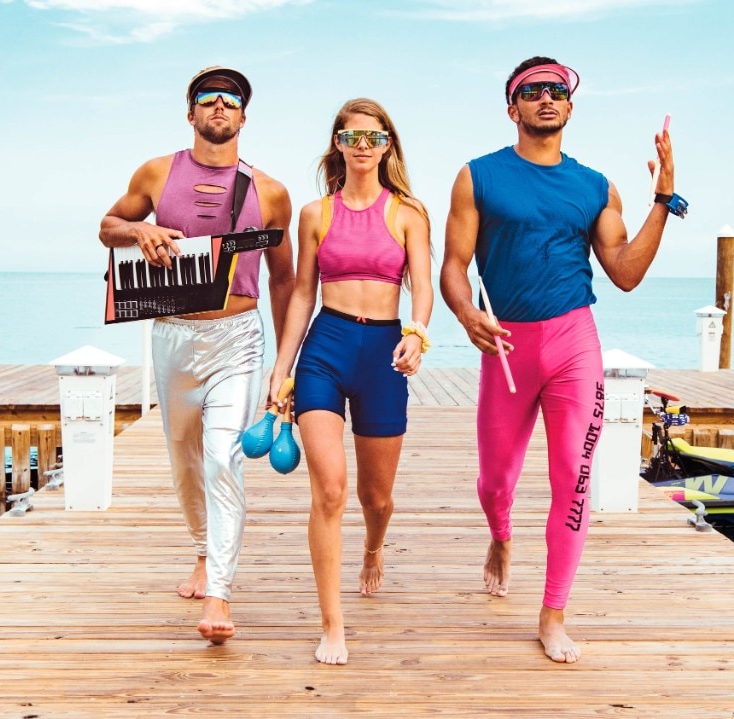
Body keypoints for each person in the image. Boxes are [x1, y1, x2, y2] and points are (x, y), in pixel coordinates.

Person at [440, 56, 683, 663]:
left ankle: (553, 612)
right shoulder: (478, 177)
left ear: (569, 108)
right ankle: (500, 535)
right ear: (512, 108)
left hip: (575, 341)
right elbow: (453, 267)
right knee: (496, 480)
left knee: (571, 479)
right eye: (532, 91)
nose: (546, 99)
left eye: (556, 91)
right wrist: (467, 314)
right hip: (507, 346)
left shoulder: (595, 186)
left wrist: (663, 200)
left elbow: (625, 272)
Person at [98, 66, 295, 644]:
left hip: (238, 335)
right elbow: (108, 225)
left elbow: (283, 282)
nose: (219, 108)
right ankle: (204, 552)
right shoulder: (157, 173)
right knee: (184, 460)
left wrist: (284, 366)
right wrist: (140, 234)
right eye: (208, 100)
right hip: (171, 335)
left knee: (221, 459)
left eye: (230, 101)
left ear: (243, 116)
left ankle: (221, 594)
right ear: (191, 114)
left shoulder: (270, 192)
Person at [267, 98, 433, 665]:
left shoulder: (410, 212)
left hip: (384, 352)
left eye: (374, 137)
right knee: (331, 490)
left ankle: (373, 546)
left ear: (388, 145)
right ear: (337, 143)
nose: (363, 147)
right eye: (352, 136)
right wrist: (282, 366)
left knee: (376, 498)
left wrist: (417, 334)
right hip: (326, 347)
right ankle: (332, 625)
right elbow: (301, 295)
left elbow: (424, 289)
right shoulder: (315, 213)